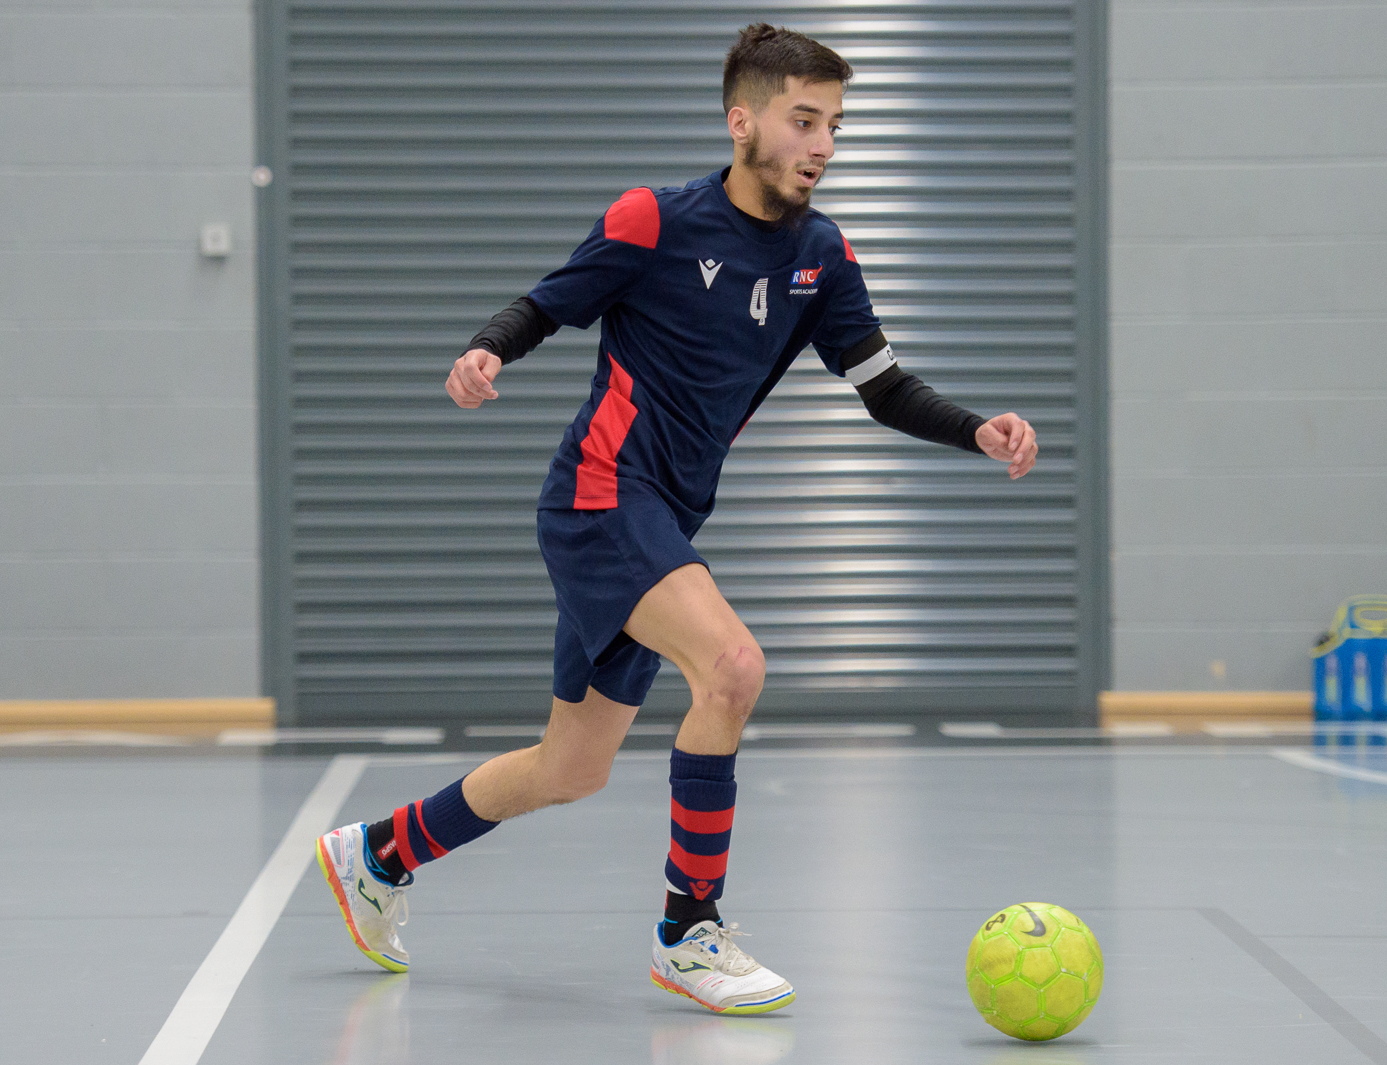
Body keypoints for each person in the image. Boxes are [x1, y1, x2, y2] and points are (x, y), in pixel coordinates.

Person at [315, 22, 1038, 1015]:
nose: (821, 144)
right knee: (732, 667)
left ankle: (379, 854)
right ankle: (687, 931)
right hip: (599, 499)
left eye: (833, 124)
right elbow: (546, 304)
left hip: (656, 519)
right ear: (742, 121)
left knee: (570, 767)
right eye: (801, 120)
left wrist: (976, 430)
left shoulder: (821, 255)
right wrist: (487, 350)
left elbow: (879, 386)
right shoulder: (655, 220)